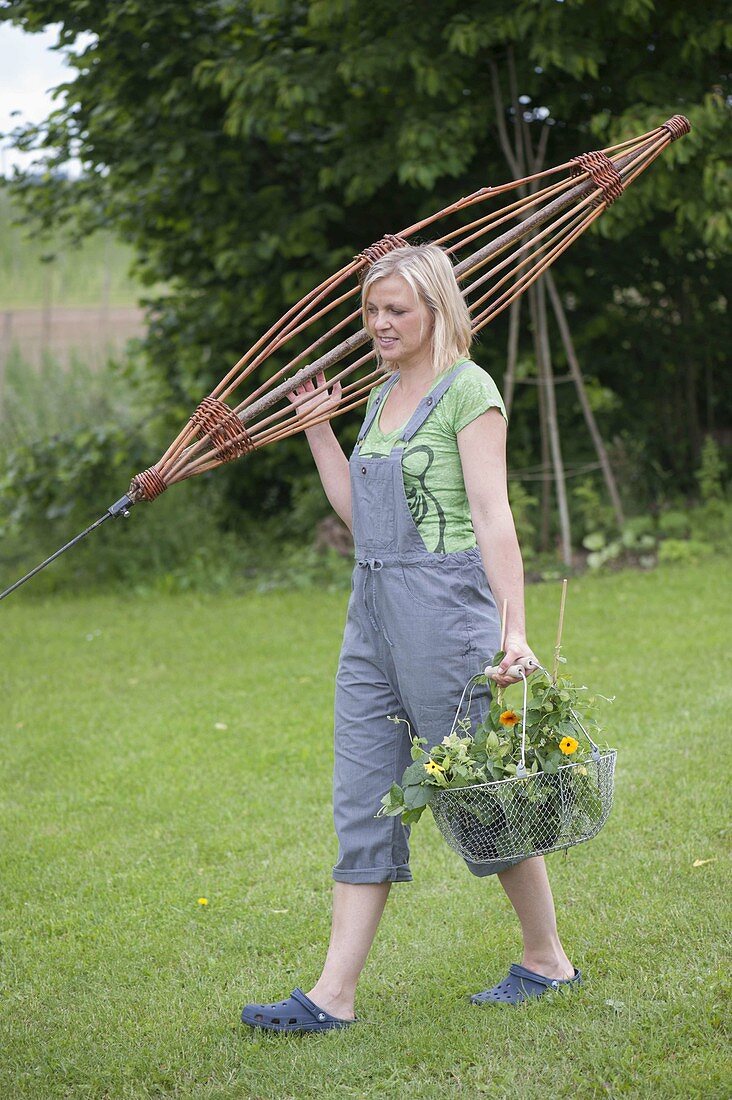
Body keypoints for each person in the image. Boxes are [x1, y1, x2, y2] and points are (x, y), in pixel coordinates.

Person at [241, 243, 580, 1033]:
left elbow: (494, 518)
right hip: (372, 617)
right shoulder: (381, 396)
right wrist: (321, 431)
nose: (380, 324)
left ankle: (546, 956)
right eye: (371, 311)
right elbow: (365, 520)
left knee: (475, 792)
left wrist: (514, 630)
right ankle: (333, 996)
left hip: (447, 615)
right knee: (362, 796)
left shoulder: (470, 392)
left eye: (396, 310)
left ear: (436, 309)